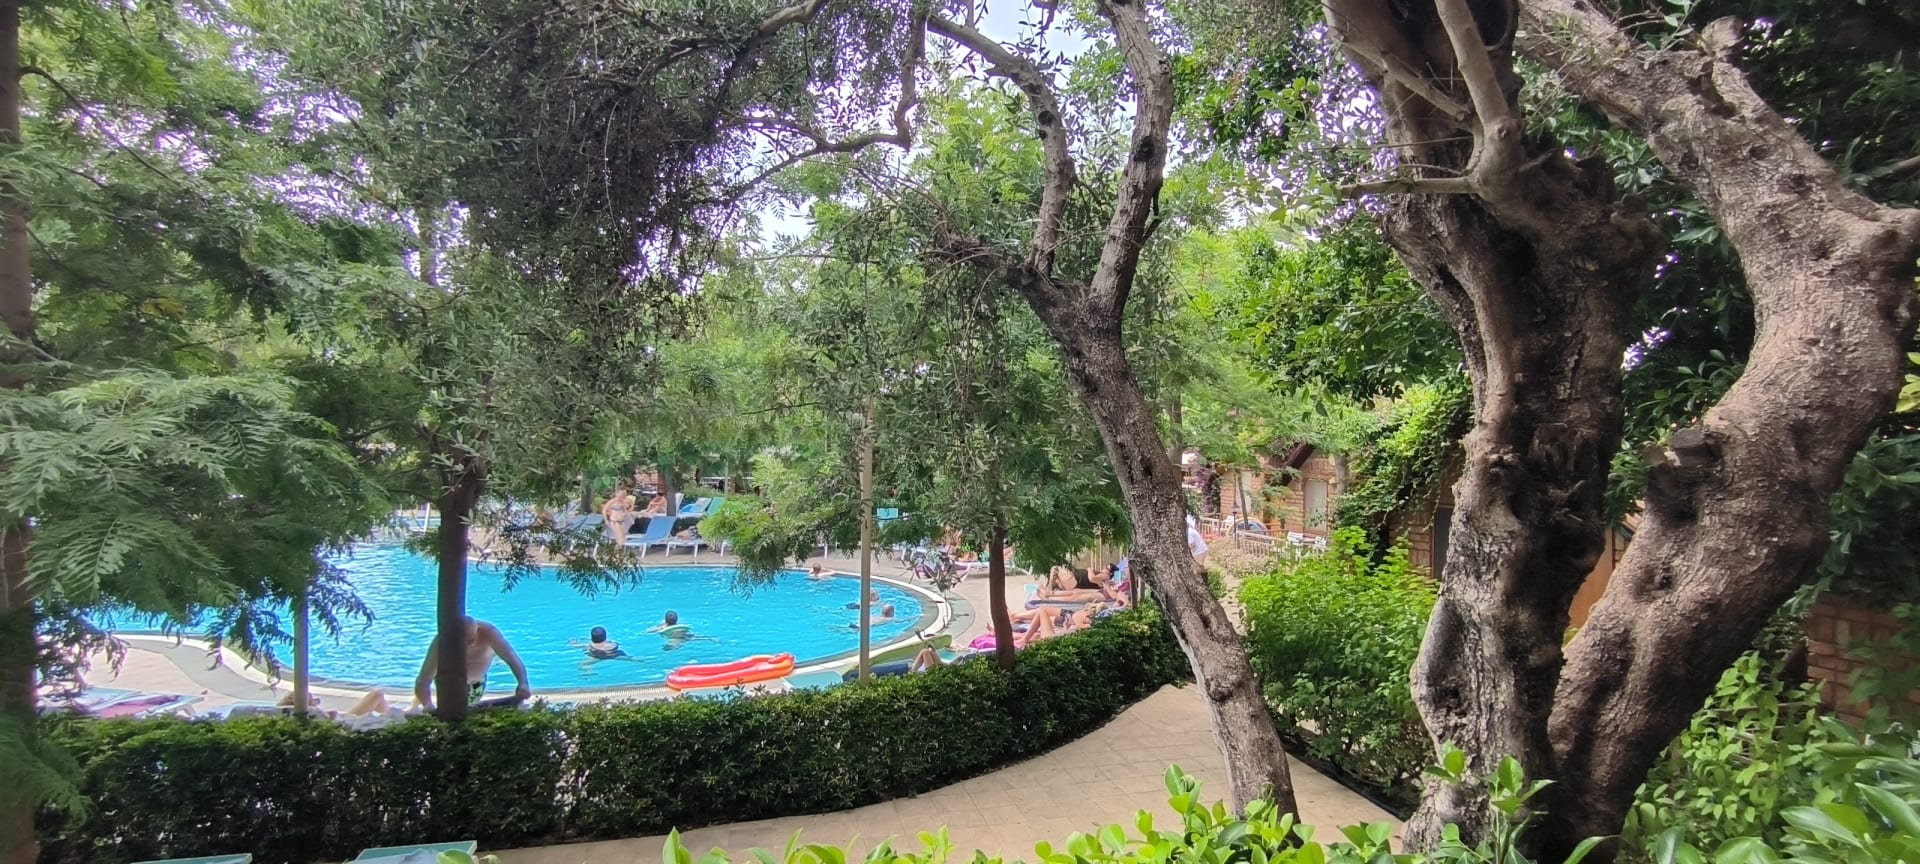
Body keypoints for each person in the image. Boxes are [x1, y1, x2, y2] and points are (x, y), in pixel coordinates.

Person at [413, 616, 531, 713]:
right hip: (449, 684)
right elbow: (424, 678)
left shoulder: (489, 632)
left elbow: (510, 657)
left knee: (470, 712)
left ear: (477, 631)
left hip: (477, 681)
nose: (468, 645)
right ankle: (417, 701)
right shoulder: (442, 641)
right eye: (463, 641)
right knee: (451, 714)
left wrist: (523, 683)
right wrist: (428, 706)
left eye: (470, 640)